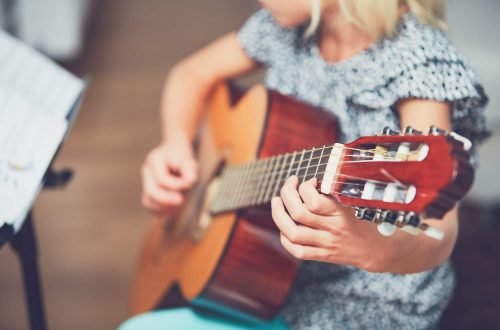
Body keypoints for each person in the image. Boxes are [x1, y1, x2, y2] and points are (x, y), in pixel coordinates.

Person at [125, 0, 489, 328]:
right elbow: (190, 74)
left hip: (367, 301)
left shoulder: (421, 62)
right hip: (271, 274)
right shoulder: (288, 25)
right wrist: (175, 143)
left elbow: (438, 234)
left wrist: (368, 247)